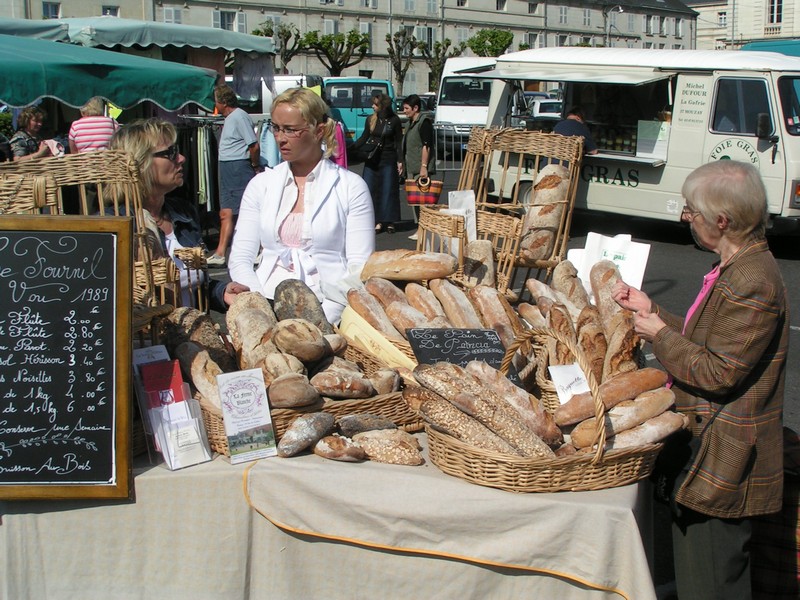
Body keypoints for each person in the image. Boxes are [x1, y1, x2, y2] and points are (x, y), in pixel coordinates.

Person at [611, 160, 788, 600]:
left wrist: (660, 335)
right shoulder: (734, 264)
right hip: (706, 442)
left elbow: (718, 372)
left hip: (723, 454)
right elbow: (704, 341)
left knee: (710, 582)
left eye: (691, 210)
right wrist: (651, 314)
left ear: (721, 221)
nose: (685, 217)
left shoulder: (754, 280)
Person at [228, 87, 375, 324]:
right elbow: (241, 257)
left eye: (291, 130)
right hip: (266, 304)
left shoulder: (351, 187)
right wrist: (260, 307)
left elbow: (360, 266)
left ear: (318, 131)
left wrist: (323, 320)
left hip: (330, 308)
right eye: (276, 128)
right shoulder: (261, 185)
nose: (280, 138)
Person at [110, 118, 248, 311]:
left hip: (193, 334)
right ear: (141, 163)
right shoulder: (114, 225)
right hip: (148, 338)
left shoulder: (184, 213)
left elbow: (196, 285)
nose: (182, 158)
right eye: (171, 153)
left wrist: (222, 292)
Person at [209, 84, 261, 267]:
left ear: (223, 102)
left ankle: (258, 250)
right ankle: (220, 253)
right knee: (226, 212)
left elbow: (253, 145)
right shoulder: (231, 118)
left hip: (237, 167)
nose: (215, 105)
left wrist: (254, 165)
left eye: (216, 101)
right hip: (228, 167)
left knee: (245, 211)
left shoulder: (239, 116)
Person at [355, 92, 403, 234]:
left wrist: (400, 160)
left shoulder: (394, 120)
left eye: (375, 104)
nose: (372, 106)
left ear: (383, 106)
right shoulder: (371, 119)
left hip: (388, 158)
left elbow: (399, 141)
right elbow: (364, 137)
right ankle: (376, 220)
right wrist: (349, 149)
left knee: (388, 190)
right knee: (370, 189)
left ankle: (389, 221)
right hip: (372, 158)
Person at [400, 94, 436, 241]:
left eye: (407, 108)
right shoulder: (410, 123)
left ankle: (424, 229)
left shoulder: (424, 123)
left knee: (422, 201)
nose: (404, 111)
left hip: (419, 167)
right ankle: (420, 228)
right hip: (411, 166)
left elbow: (425, 146)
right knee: (415, 200)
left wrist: (423, 166)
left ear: (415, 108)